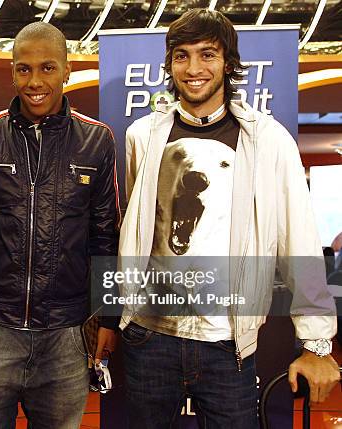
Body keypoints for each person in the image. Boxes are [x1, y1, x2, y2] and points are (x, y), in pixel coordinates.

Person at [118, 9, 339, 428]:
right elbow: (137, 225)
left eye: (208, 55)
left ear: (229, 63)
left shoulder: (268, 140)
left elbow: (300, 242)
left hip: (228, 343)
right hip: (149, 335)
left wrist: (317, 344)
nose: (194, 68)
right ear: (169, 65)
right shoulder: (142, 136)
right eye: (181, 56)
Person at [0, 22, 120, 429]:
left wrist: (109, 316)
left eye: (47, 68)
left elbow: (105, 236)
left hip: (67, 334)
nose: (35, 81)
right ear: (12, 73)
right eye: (23, 69)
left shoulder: (98, 141)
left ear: (66, 71)